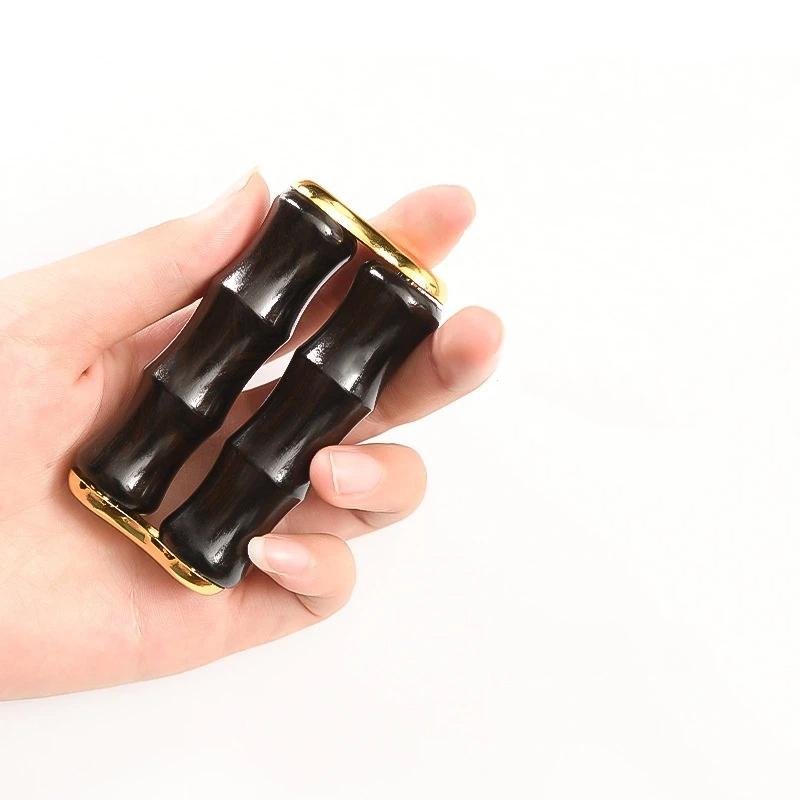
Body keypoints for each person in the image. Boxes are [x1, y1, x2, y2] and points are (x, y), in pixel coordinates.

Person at [0, 171, 503, 698]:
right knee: (335, 317)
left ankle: (139, 480)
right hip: (174, 531)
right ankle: (202, 531)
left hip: (111, 480)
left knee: (296, 278)